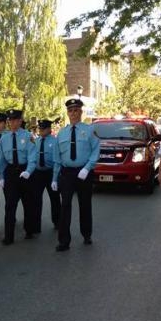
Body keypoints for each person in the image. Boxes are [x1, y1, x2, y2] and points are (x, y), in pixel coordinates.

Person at [52, 98, 100, 250]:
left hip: (84, 173)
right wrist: (55, 177)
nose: (73, 113)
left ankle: (87, 234)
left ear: (81, 112)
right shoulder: (62, 133)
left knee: (84, 204)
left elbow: (96, 150)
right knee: (65, 205)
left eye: (76, 110)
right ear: (67, 113)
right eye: (70, 111)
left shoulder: (90, 130)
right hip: (67, 173)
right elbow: (57, 157)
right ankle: (64, 241)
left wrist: (87, 168)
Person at [0, 108, 38, 245]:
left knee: (28, 203)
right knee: (10, 205)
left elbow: (33, 156)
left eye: (15, 119)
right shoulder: (4, 138)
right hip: (10, 172)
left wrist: (29, 170)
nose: (12, 122)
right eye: (10, 120)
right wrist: (1, 177)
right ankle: (9, 236)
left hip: (25, 171)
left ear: (20, 121)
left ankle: (29, 230)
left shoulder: (28, 136)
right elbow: (1, 159)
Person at [31, 119, 60, 231]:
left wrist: (55, 177)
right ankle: (36, 225)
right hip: (38, 173)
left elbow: (58, 159)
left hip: (51, 172)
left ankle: (57, 222)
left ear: (49, 129)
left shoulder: (55, 141)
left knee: (55, 198)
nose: (41, 131)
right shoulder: (36, 141)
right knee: (36, 199)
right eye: (40, 129)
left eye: (43, 129)